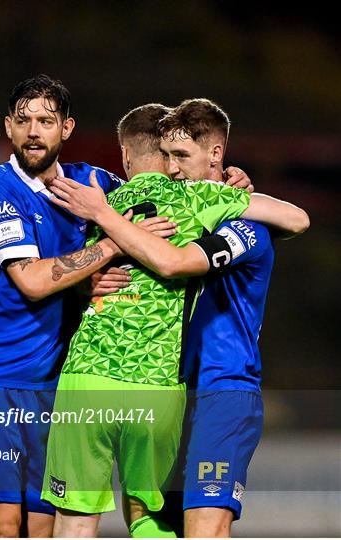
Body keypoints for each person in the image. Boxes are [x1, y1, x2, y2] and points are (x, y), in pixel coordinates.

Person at [42, 100, 309, 538]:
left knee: (203, 528)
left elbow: (176, 262)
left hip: (220, 392)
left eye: (182, 157)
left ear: (216, 156)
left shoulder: (243, 225)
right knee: (148, 518)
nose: (173, 168)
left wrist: (105, 218)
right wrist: (88, 280)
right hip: (169, 388)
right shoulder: (187, 204)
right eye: (167, 157)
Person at [0, 74, 127, 538]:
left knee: (42, 526)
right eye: (23, 121)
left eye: (46, 120)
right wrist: (106, 248)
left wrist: (224, 181)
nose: (33, 131)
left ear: (67, 128)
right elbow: (33, 281)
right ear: (8, 128)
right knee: (4, 526)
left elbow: (161, 199)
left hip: (54, 386)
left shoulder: (92, 183)